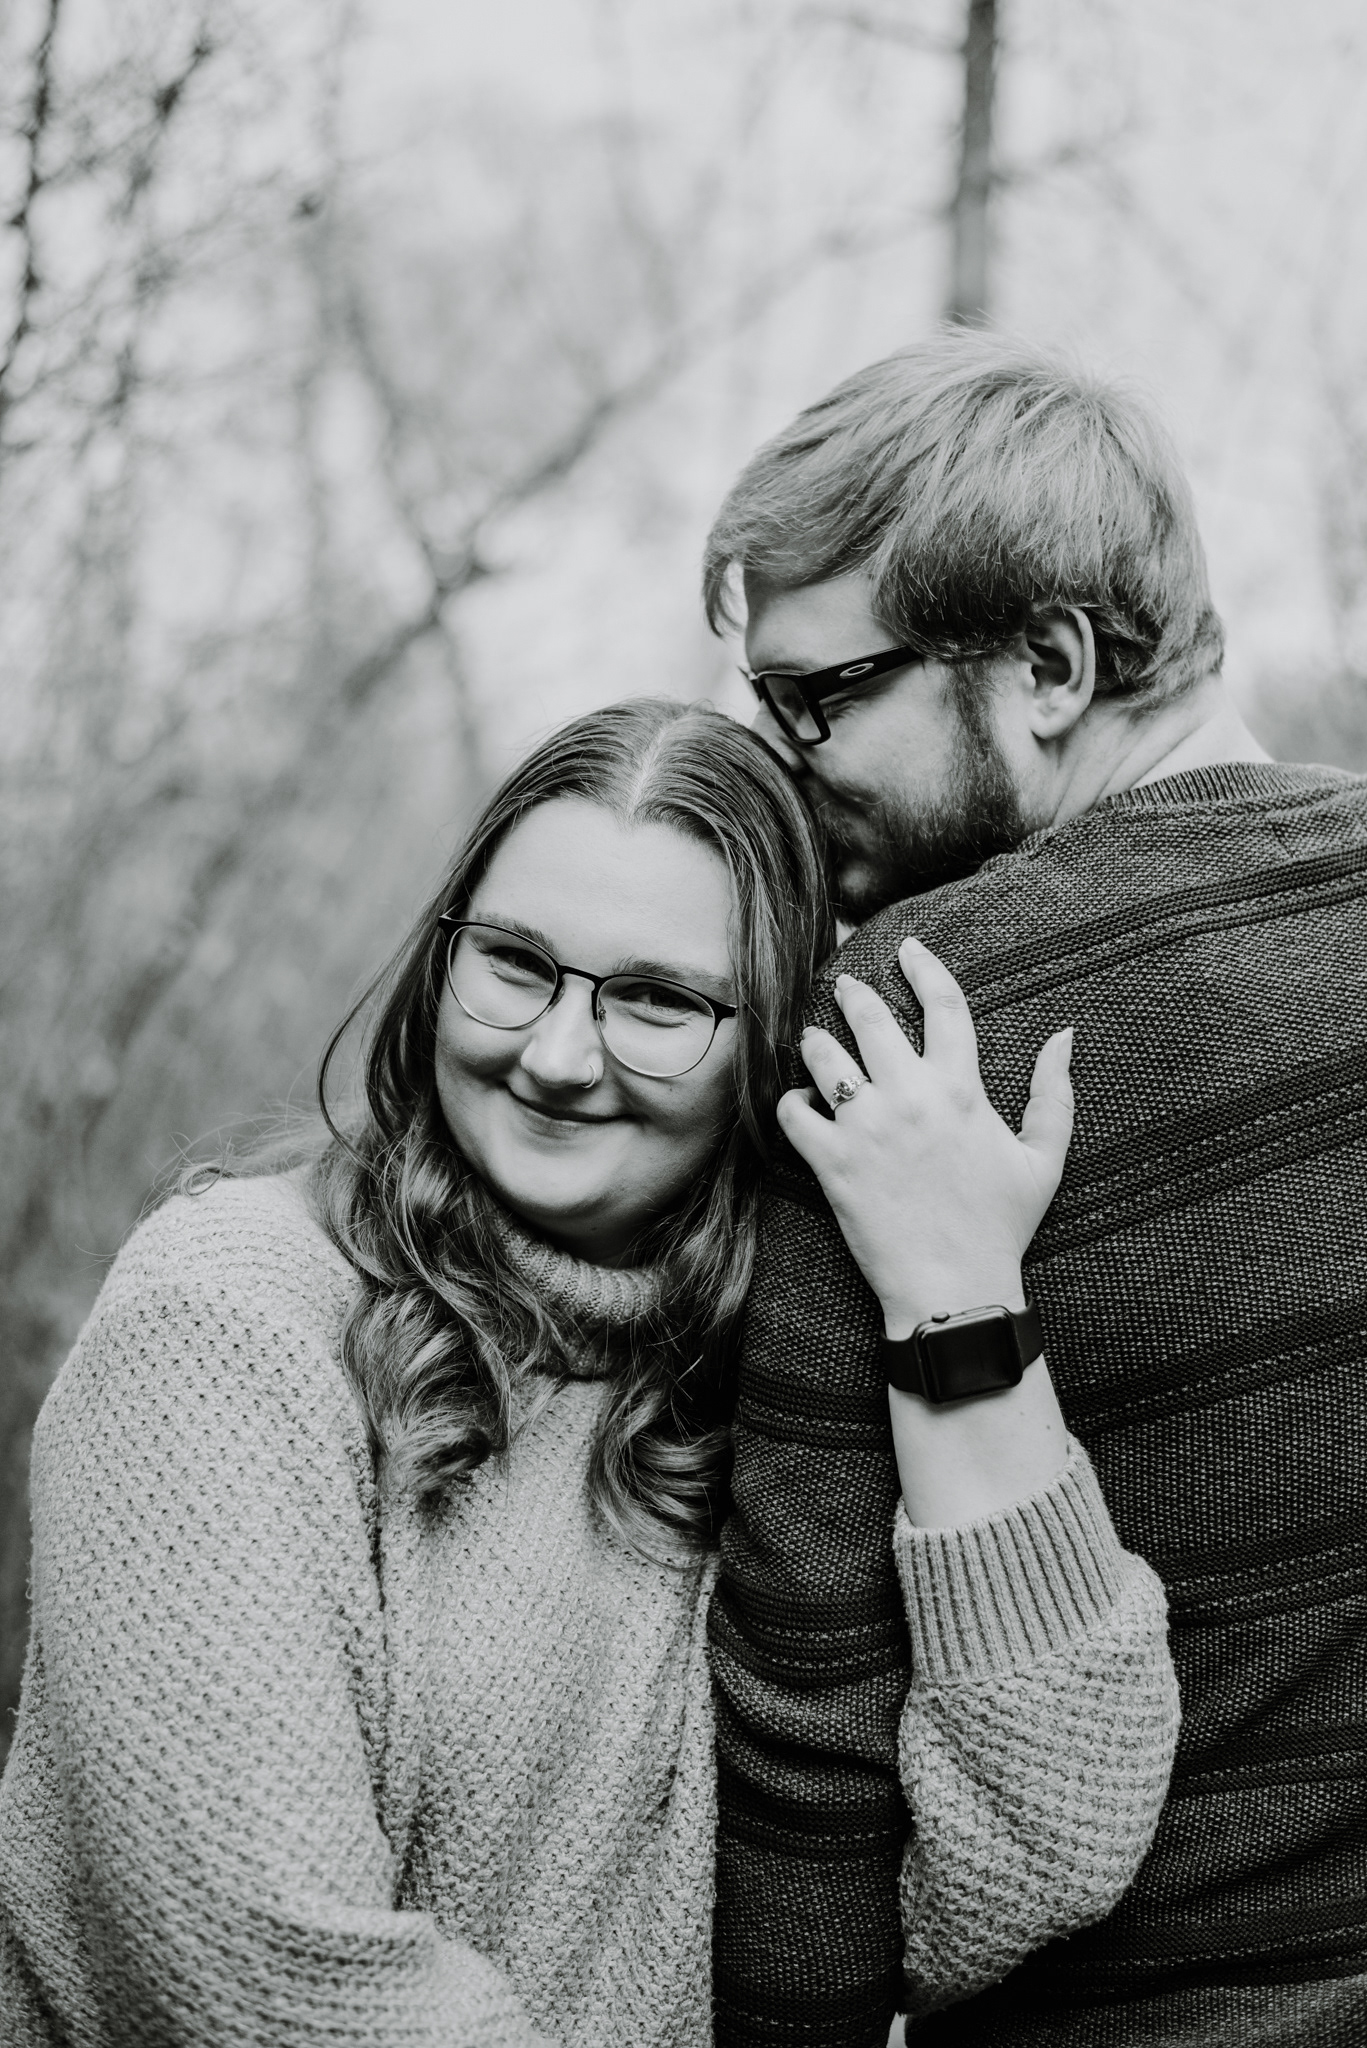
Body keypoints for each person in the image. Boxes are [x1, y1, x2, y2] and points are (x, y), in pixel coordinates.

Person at [0, 698, 1177, 2048]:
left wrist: (957, 1292)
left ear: (776, 1035)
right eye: (515, 964)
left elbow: (1039, 1850)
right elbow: (272, 1983)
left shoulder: (792, 1371)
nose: (557, 1058)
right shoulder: (227, 1322)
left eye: (659, 1000)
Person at [702, 331, 1367, 2048]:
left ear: (1051, 664)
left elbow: (814, 1749)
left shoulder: (902, 1034)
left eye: (816, 698)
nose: (779, 756)